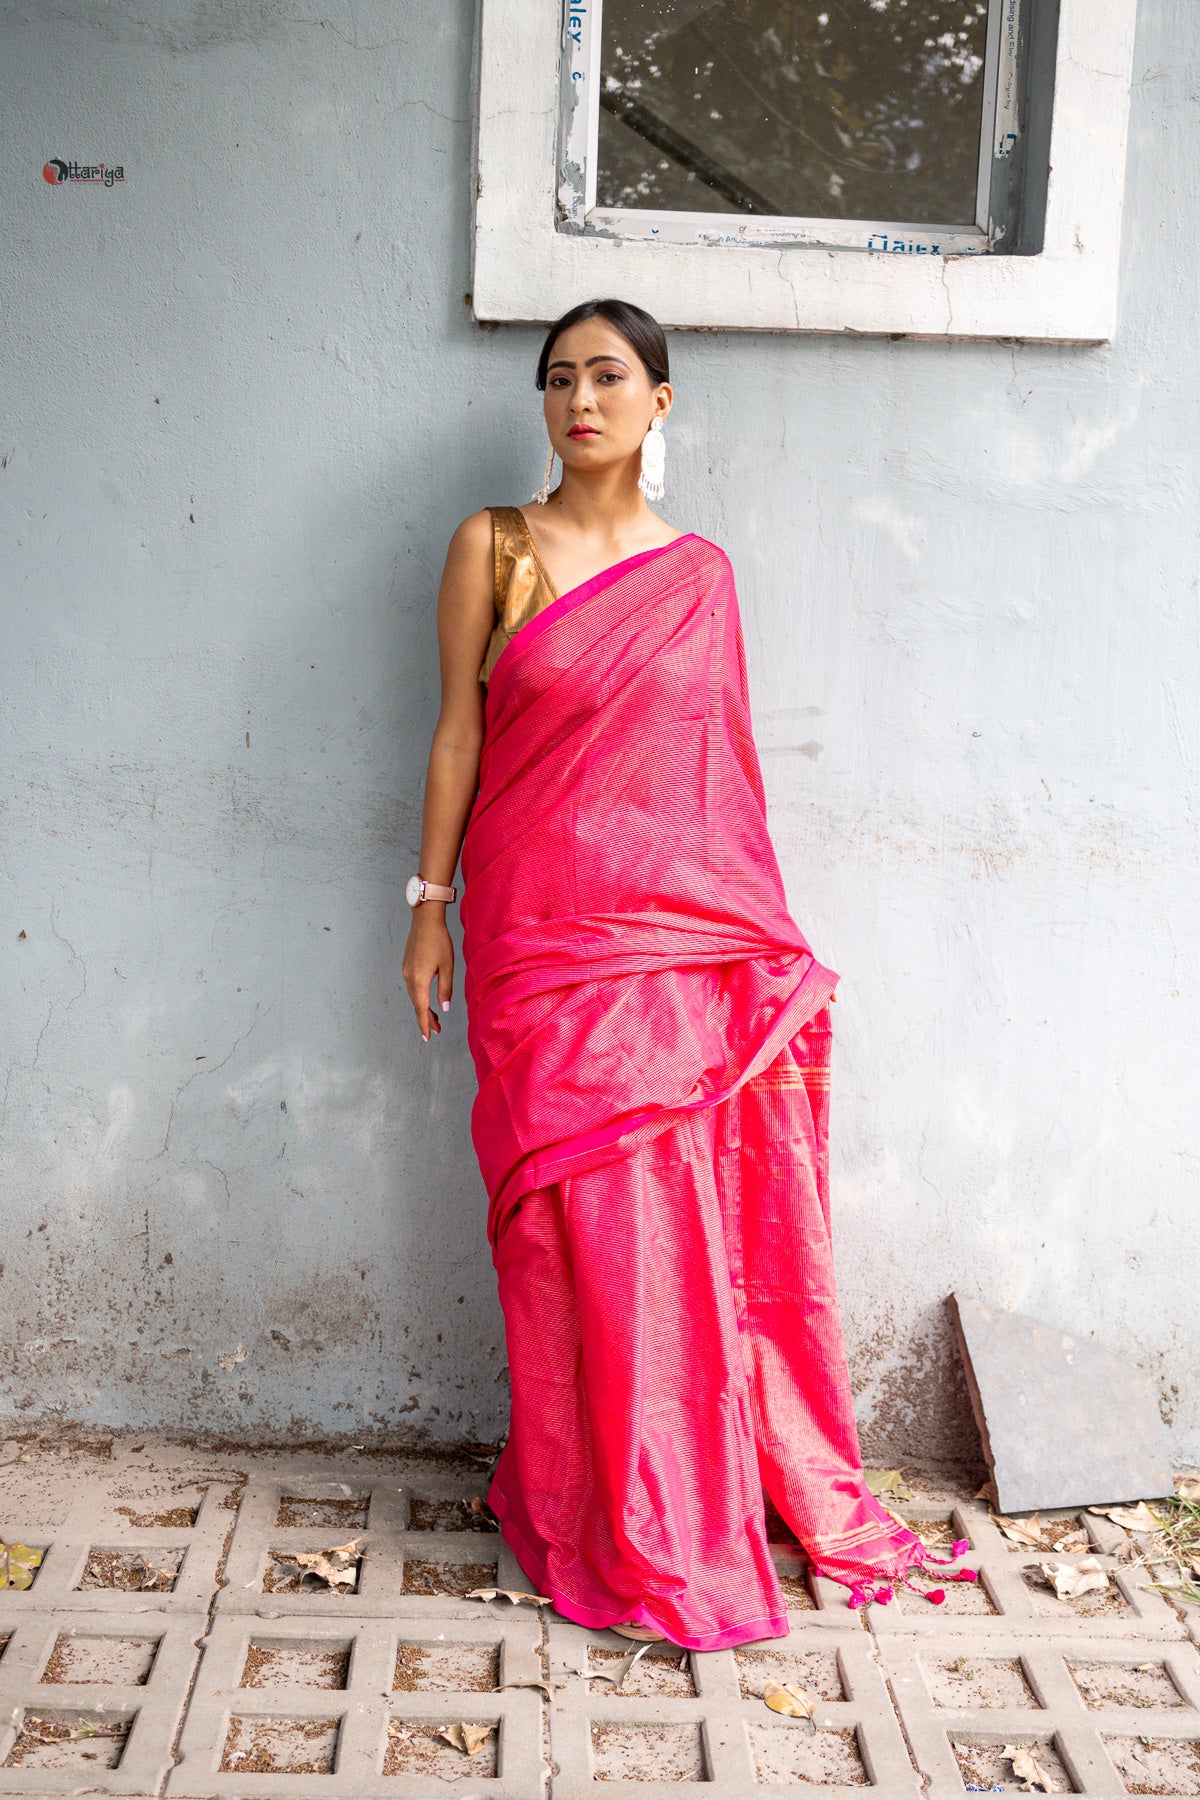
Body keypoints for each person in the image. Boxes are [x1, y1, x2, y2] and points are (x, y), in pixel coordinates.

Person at [402, 298, 972, 1649]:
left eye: (607, 376)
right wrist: (429, 910)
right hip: (535, 946)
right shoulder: (492, 546)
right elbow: (455, 736)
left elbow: (714, 787)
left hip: (666, 956)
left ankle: (665, 1494)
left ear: (662, 402)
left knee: (659, 1232)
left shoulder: (698, 577)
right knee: (559, 1236)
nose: (577, 399)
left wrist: (745, 948)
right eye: (556, 379)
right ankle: (578, 1492)